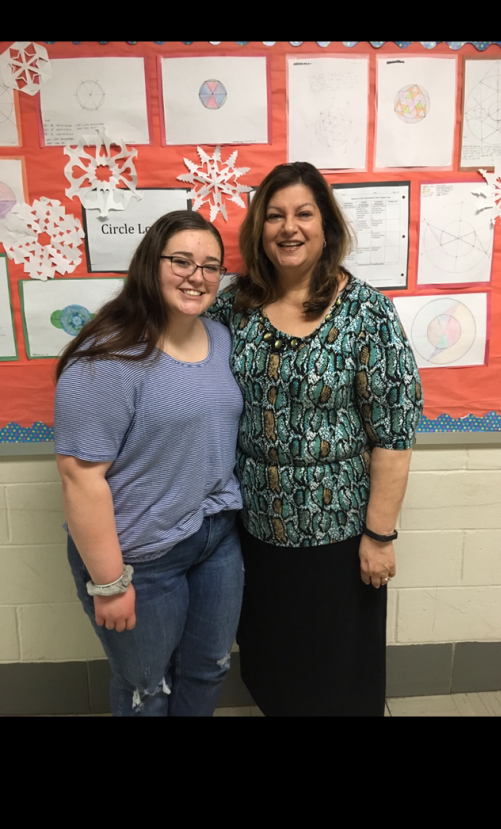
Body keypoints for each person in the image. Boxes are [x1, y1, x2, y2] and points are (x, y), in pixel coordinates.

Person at [206, 162, 423, 717]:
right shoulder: (235, 307)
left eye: (304, 213)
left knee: (337, 674)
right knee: (275, 665)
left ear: (326, 225)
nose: (289, 227)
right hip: (255, 529)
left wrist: (379, 535)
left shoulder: (367, 313)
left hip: (341, 539)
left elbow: (393, 437)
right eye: (274, 215)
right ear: (259, 228)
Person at [54, 211, 244, 717]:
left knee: (210, 668)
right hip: (141, 557)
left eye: (210, 266)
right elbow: (79, 477)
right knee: (145, 684)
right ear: (149, 264)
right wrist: (110, 584)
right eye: (181, 261)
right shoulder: (107, 355)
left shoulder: (220, 338)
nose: (197, 276)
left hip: (216, 536)